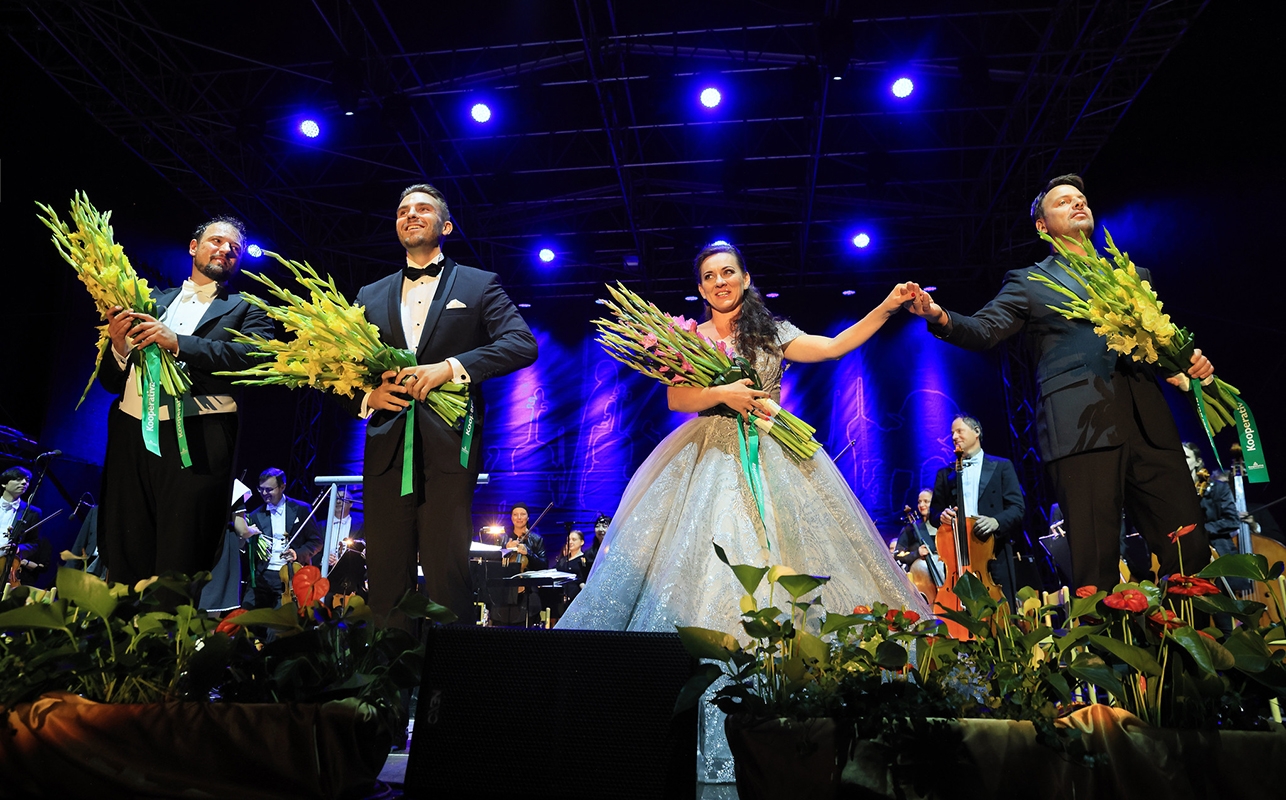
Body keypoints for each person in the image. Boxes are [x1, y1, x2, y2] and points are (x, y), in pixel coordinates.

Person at [557, 242, 932, 784]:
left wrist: (886, 307)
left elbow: (831, 347)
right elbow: (677, 401)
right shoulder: (690, 338)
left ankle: (796, 707)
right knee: (714, 566)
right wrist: (723, 392)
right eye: (708, 276)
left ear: (746, 277)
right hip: (709, 454)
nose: (719, 282)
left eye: (727, 272)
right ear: (701, 287)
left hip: (773, 448)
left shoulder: (770, 331)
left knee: (791, 563)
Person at [905, 174, 1212, 592]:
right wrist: (940, 316)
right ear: (1042, 226)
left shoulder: (1131, 275)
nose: (1077, 204)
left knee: (1189, 548)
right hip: (1081, 431)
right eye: (1064, 201)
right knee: (1096, 565)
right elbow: (984, 329)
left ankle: (1190, 650)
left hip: (1149, 427)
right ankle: (1107, 654)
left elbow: (1153, 342)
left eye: (1081, 199)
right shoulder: (1029, 282)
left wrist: (1183, 363)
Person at [345, 184, 537, 627]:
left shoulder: (477, 283)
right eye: (403, 211)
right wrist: (366, 396)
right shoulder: (369, 295)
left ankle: (450, 689)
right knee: (387, 579)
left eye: (423, 209)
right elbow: (341, 371)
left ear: (445, 226)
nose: (411, 215)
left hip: (450, 450)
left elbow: (521, 343)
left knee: (447, 576)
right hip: (385, 451)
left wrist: (450, 368)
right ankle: (388, 690)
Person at [97, 216, 273, 586]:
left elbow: (249, 359)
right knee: (125, 547)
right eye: (217, 241)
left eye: (235, 248)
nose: (225, 250)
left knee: (180, 556)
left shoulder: (249, 308)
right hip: (132, 438)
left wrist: (176, 342)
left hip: (197, 439)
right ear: (194, 247)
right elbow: (111, 381)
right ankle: (119, 640)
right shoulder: (149, 301)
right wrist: (117, 347)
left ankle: (166, 640)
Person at [930, 415, 1026, 604]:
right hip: (958, 555)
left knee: (1001, 611)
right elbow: (934, 513)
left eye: (959, 431)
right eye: (952, 433)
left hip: (992, 551)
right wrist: (942, 516)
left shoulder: (1001, 466)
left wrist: (996, 521)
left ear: (977, 432)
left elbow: (1017, 507)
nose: (954, 437)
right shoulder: (945, 474)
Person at [241, 468, 322, 609]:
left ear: (282, 487)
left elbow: (316, 542)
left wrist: (297, 554)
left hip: (289, 577)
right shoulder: (254, 515)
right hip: (262, 578)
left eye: (269, 490)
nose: (264, 494)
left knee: (278, 628)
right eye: (261, 489)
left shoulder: (301, 509)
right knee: (247, 620)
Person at [491, 502, 548, 626]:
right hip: (503, 592)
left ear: (528, 517)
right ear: (511, 518)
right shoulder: (502, 539)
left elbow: (544, 565)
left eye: (522, 514)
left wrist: (528, 553)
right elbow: (491, 564)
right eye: (515, 514)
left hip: (527, 592)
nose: (519, 517)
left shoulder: (536, 539)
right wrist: (505, 550)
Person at [1, 467, 42, 583]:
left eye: (27, 480)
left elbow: (34, 543)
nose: (24, 482)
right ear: (4, 484)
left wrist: (18, 549)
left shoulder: (32, 512)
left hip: (5, 567)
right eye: (18, 479)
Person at [894, 488, 937, 569]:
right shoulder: (911, 528)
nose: (921, 505)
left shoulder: (942, 527)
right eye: (919, 502)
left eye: (926, 501)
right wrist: (916, 553)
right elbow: (897, 555)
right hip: (919, 576)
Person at [555, 529, 593, 612]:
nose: (570, 542)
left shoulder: (583, 560)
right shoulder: (563, 560)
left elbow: (582, 580)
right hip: (560, 599)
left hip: (575, 600)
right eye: (569, 540)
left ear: (582, 542)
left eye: (574, 540)